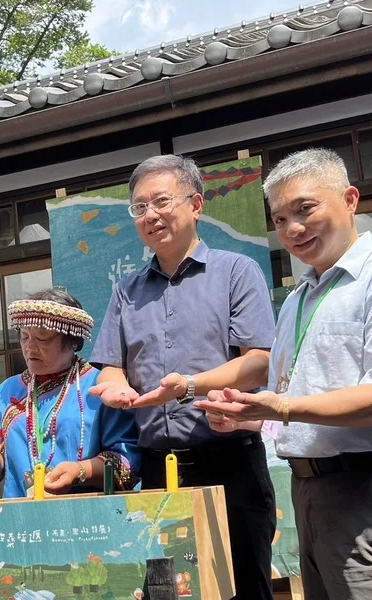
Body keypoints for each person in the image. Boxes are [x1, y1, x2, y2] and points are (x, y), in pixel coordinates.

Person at [196, 148, 372, 599]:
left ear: (350, 200)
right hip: (311, 490)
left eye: (305, 209)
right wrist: (249, 417)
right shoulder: (299, 299)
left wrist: (284, 406)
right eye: (279, 220)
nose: (293, 229)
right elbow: (296, 401)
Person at [88, 154, 277, 600]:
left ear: (195, 205)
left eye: (160, 201)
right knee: (166, 594)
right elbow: (112, 364)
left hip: (231, 464)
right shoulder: (126, 291)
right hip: (158, 471)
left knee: (244, 589)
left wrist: (192, 386)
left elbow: (259, 360)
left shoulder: (236, 271)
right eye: (139, 207)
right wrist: (115, 386)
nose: (150, 215)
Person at [0, 289, 140, 498]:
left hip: (88, 517)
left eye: (43, 339)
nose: (29, 347)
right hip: (22, 518)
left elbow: (128, 462)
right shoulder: (5, 393)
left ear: (73, 341)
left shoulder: (100, 387)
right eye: (24, 336)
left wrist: (80, 471)